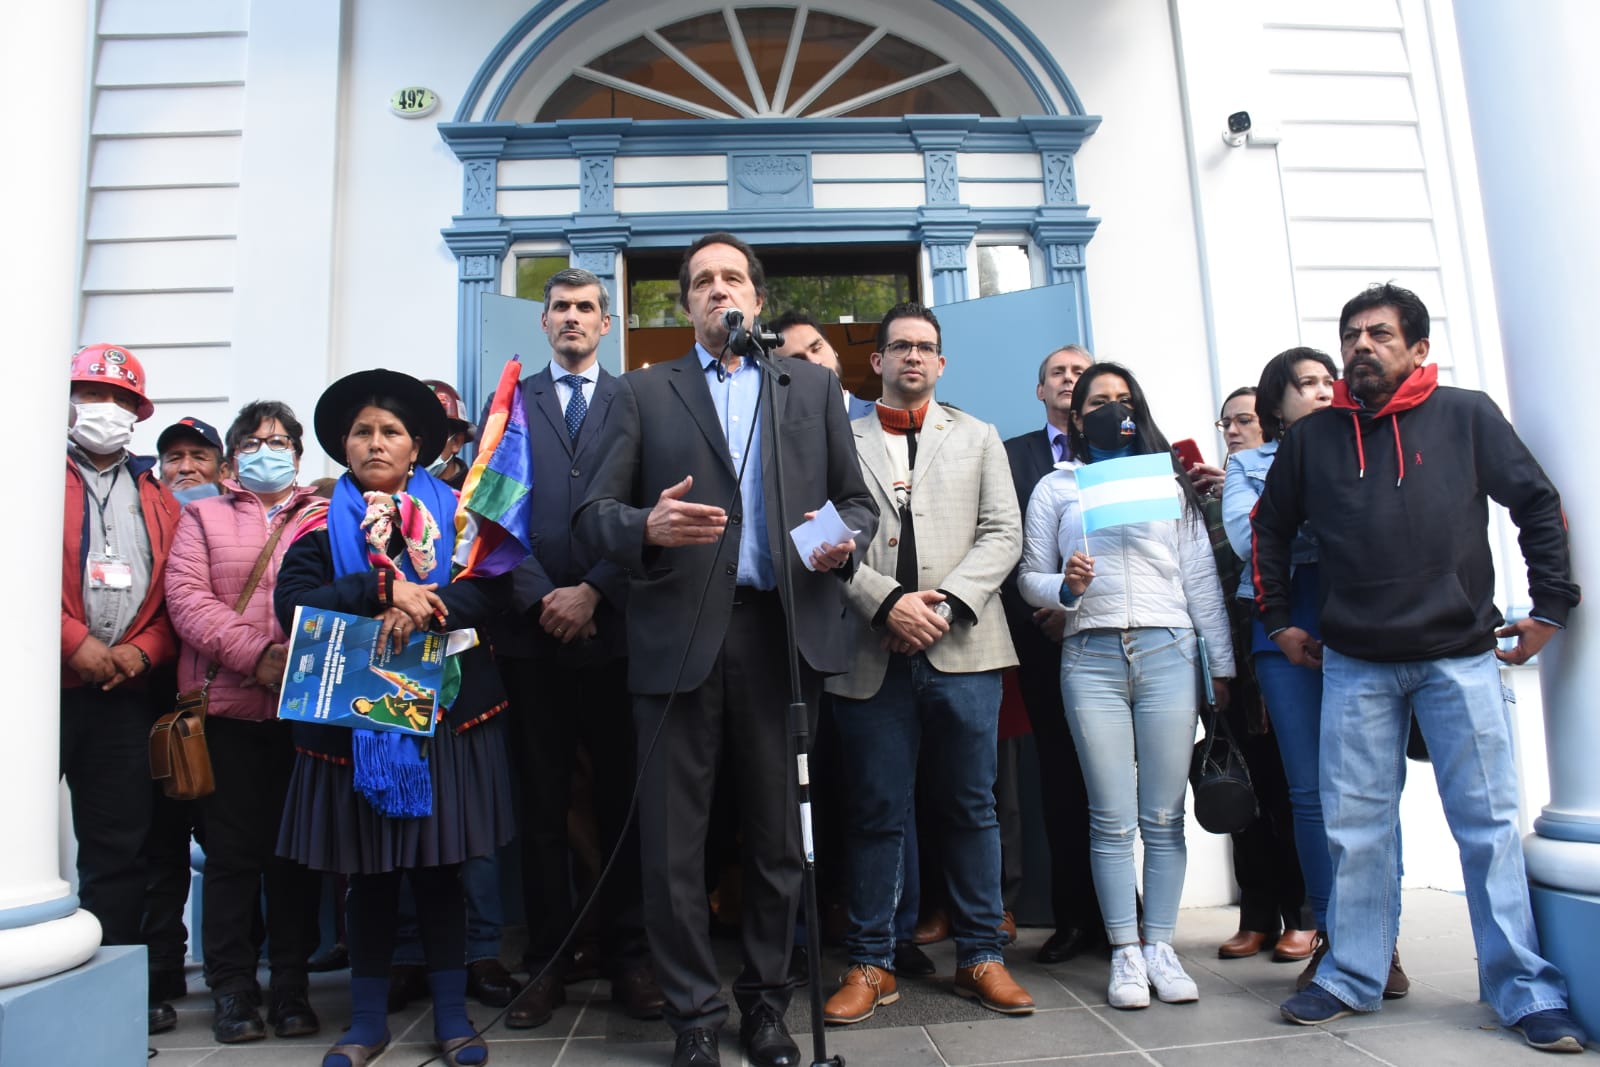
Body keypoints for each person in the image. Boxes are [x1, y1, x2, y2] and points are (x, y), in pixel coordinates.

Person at [1255, 284, 1587, 1052]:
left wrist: (1551, 606)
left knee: (1489, 829)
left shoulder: (1466, 414)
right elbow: (1268, 526)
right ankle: (1352, 974)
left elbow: (1537, 503)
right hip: (1354, 664)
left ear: (1418, 348)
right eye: (1351, 335)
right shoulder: (1313, 438)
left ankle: (1524, 988)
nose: (1361, 346)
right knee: (1356, 831)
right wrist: (1278, 621)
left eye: (1379, 333)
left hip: (1459, 657)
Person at [574, 232, 877, 1067]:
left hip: (783, 633)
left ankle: (767, 1004)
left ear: (756, 297)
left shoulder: (810, 385)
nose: (718, 289)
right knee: (674, 842)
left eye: (732, 277)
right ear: (685, 303)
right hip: (679, 637)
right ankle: (694, 1015)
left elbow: (856, 502)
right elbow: (592, 515)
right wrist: (647, 524)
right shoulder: (642, 391)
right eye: (703, 280)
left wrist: (837, 539)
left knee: (778, 838)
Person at [274, 368, 518, 1067]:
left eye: (390, 432)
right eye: (362, 432)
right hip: (355, 727)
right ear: (344, 446)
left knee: (441, 871)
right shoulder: (318, 525)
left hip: (445, 720)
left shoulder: (458, 516)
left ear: (417, 447)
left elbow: (491, 591)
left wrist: (425, 606)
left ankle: (452, 1017)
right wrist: (380, 587)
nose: (375, 442)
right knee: (371, 875)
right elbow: (293, 605)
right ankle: (365, 1023)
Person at [821, 302, 1032, 1025]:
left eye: (925, 347)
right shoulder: (837, 439)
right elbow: (816, 538)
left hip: (964, 648)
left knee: (972, 807)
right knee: (875, 811)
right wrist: (885, 605)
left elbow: (1004, 533)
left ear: (941, 363)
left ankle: (981, 956)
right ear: (876, 360)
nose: (913, 356)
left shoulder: (977, 435)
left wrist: (941, 608)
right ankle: (871, 962)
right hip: (867, 651)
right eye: (900, 346)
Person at [1017, 361, 1233, 1011]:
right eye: (1098, 401)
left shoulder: (1168, 481)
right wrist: (1066, 586)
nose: (1113, 409)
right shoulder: (1056, 487)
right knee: (1110, 818)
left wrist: (1220, 667)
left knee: (1163, 816)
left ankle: (1160, 944)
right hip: (1091, 654)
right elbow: (1029, 578)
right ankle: (1125, 951)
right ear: (1078, 417)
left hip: (1168, 650)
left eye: (1123, 399)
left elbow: (1200, 580)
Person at [492, 267, 663, 1028]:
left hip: (617, 633)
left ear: (606, 322)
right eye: (559, 307)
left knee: (625, 801)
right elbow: (491, 510)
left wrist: (595, 589)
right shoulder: (510, 403)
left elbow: (653, 508)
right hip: (532, 638)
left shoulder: (639, 400)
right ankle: (547, 961)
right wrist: (542, 597)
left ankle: (631, 956)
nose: (571, 317)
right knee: (541, 806)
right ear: (544, 323)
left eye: (585, 307)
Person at [165, 400, 324, 1043]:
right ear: (233, 457)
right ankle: (232, 989)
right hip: (227, 713)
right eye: (255, 441)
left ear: (298, 455)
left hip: (301, 711)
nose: (269, 450)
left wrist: (294, 662)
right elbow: (187, 599)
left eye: (281, 441)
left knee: (294, 858)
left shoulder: (322, 515)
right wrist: (257, 656)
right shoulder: (202, 515)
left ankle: (290, 985)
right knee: (232, 858)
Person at [59, 344, 184, 1034]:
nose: (104, 408)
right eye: (91, 394)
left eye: (118, 399)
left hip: (122, 695)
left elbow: (173, 599)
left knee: (119, 848)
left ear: (137, 412)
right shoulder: (29, 473)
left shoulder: (156, 496)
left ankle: (111, 1001)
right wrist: (72, 640)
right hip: (39, 691)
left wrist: (140, 651)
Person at [999, 343, 1107, 964]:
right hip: (1040, 639)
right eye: (1057, 373)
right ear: (1040, 391)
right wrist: (1048, 614)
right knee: (1060, 779)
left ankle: (1125, 916)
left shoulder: (1123, 452)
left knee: (1115, 781)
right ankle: (1073, 918)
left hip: (1114, 639)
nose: (1069, 379)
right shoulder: (1011, 455)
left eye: (1079, 371)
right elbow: (1004, 542)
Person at [1207, 386, 1315, 965]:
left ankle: (1304, 915)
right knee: (1240, 788)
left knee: (1291, 789)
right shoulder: (1209, 499)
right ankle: (1256, 915)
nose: (1232, 430)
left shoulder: (1290, 482)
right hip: (1229, 659)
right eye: (1225, 422)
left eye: (1243, 419)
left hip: (1279, 648)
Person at [769, 309, 875, 418]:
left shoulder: (879, 417)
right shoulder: (776, 426)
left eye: (817, 348)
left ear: (833, 349)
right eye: (798, 360)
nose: (814, 362)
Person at [421, 381, 477, 489]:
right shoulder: (397, 491)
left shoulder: (475, 494)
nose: (419, 447)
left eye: (431, 435)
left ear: (456, 442)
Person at [158, 415, 227, 502]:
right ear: (161, 473)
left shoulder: (241, 510)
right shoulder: (143, 509)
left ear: (222, 472)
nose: (186, 468)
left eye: (199, 458)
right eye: (174, 459)